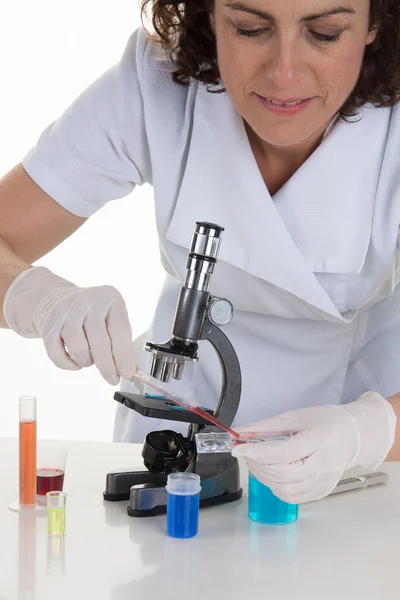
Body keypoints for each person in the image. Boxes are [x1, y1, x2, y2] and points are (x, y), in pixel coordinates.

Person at [1, 0, 400, 505]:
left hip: (354, 468)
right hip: (176, 450)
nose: (284, 71)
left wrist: (370, 431)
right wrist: (34, 297)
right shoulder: (155, 85)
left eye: (324, 33)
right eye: (250, 28)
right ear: (208, 16)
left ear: (376, 23)